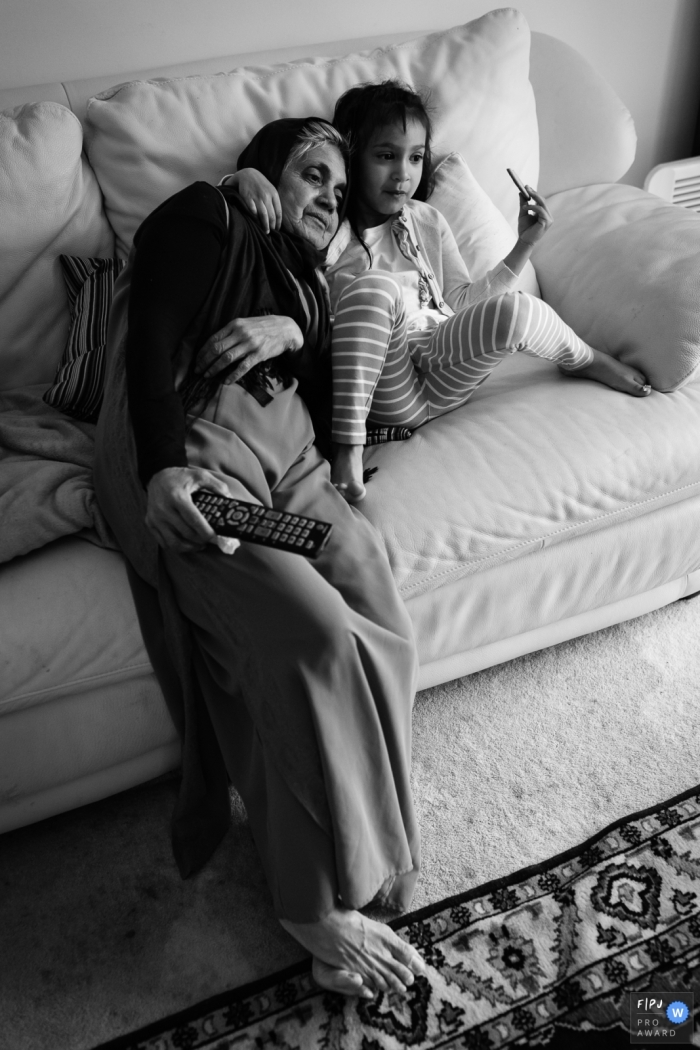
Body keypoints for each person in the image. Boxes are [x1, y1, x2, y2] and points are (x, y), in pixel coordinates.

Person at [93, 117, 427, 1000]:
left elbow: (332, 353)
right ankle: (312, 905)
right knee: (310, 632)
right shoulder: (210, 213)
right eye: (311, 173)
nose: (330, 192)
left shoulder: (306, 282)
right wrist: (164, 468)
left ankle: (381, 853)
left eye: (337, 185)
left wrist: (290, 324)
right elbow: (155, 333)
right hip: (202, 457)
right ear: (260, 174)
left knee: (376, 597)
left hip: (297, 464)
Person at [234, 81, 652, 503]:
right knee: (375, 289)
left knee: (515, 311)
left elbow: (465, 303)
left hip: (447, 370)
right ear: (351, 159)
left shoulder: (426, 220)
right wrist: (241, 178)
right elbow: (259, 235)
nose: (403, 174)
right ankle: (349, 448)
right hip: (385, 390)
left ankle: (585, 358)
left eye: (415, 157)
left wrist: (524, 243)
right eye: (385, 156)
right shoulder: (326, 227)